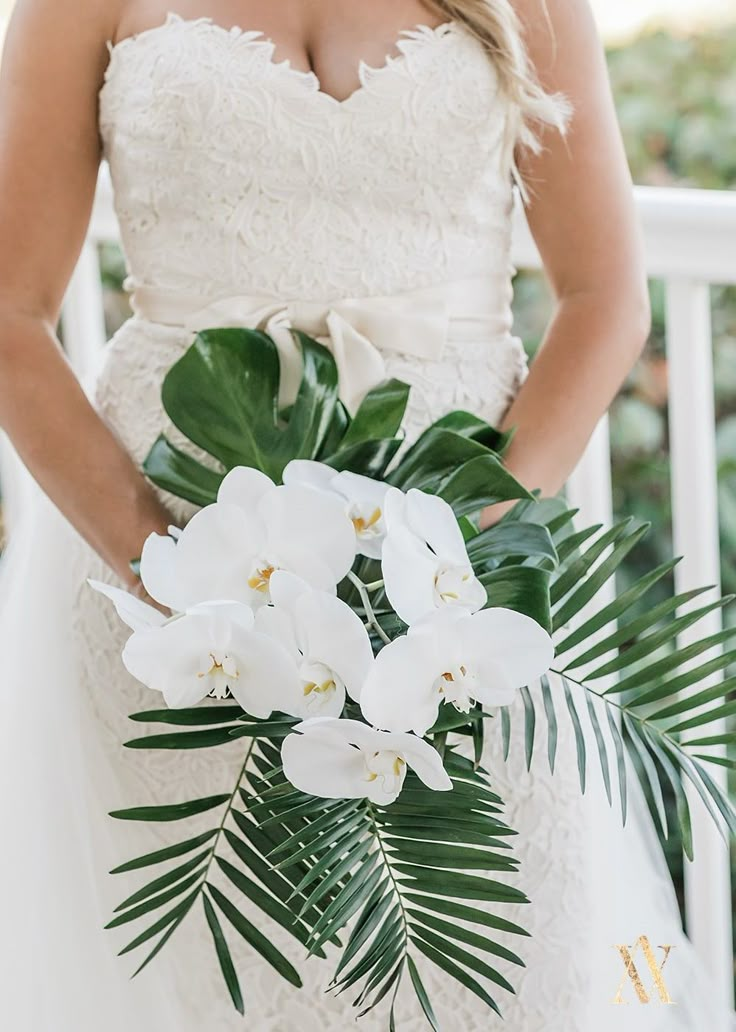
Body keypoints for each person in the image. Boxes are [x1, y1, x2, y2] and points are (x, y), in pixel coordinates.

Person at [0, 1, 731, 1029]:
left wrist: (468, 546)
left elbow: (606, 296)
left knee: (508, 962)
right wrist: (163, 569)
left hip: (466, 592)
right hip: (168, 600)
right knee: (224, 973)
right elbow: (10, 313)